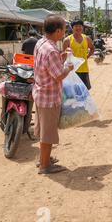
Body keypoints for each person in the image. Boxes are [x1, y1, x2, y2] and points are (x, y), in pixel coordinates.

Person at [33, 15, 73, 174]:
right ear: (57, 31)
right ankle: (44, 166)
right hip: (49, 98)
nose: (64, 32)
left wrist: (61, 57)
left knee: (43, 130)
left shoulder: (41, 43)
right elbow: (58, 75)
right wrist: (68, 68)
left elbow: (48, 66)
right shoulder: (51, 50)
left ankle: (43, 159)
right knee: (48, 133)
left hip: (40, 93)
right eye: (64, 29)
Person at [63, 19, 95, 90]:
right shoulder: (67, 40)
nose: (78, 28)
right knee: (73, 92)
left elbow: (92, 48)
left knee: (85, 91)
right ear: (72, 27)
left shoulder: (87, 39)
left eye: (80, 26)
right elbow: (62, 55)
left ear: (82, 27)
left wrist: (87, 56)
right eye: (76, 26)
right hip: (72, 71)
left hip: (84, 69)